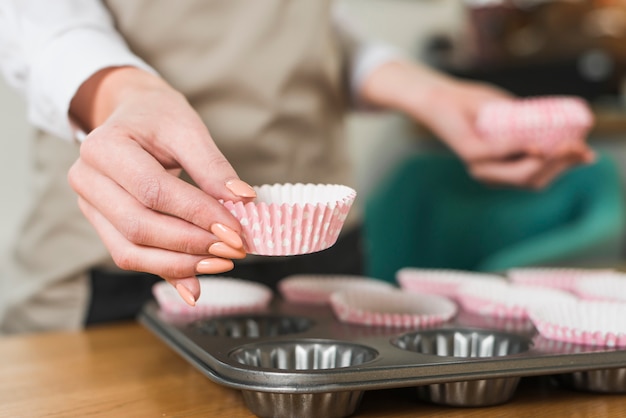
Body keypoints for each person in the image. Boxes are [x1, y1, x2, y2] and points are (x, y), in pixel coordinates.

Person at [0, 0, 594, 333]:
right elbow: (46, 21)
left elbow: (305, 25)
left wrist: (430, 94)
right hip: (125, 265)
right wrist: (121, 94)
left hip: (322, 260)